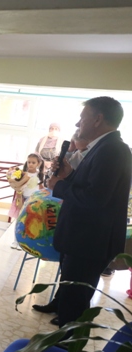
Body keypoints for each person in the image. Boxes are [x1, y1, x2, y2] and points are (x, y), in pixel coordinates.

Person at [38, 97, 132, 327]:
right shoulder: (101, 147)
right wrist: (69, 174)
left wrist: (59, 185)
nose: (78, 123)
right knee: (69, 281)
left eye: (82, 118)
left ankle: (68, 340)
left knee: (77, 295)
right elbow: (91, 186)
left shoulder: (113, 150)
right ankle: (59, 306)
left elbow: (95, 199)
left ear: (98, 119)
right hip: (80, 235)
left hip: (90, 239)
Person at [7, 153, 45, 248]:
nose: (30, 164)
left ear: (38, 163)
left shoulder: (40, 175)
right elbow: (18, 185)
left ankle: (23, 242)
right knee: (19, 220)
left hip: (34, 201)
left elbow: (41, 188)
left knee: (29, 221)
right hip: (22, 199)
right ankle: (16, 241)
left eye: (33, 162)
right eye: (29, 162)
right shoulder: (23, 174)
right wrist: (18, 192)